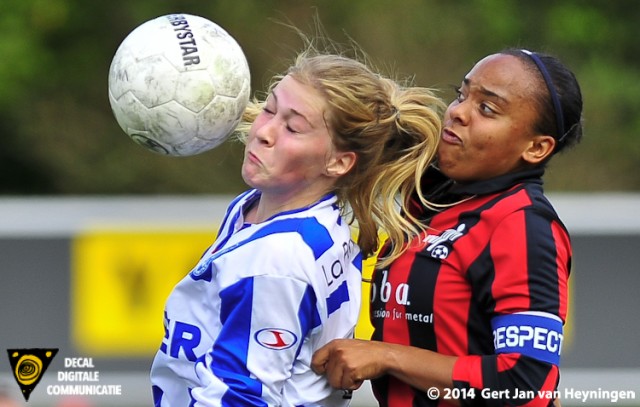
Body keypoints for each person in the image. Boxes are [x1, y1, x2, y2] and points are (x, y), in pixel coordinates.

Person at [150, 42, 445, 406]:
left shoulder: (277, 258)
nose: (263, 131)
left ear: (338, 162)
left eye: (292, 127)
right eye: (270, 109)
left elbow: (242, 397)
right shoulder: (269, 210)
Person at [312, 48, 583, 407]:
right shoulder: (429, 198)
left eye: (487, 108)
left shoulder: (522, 225)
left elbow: (523, 384)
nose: (457, 111)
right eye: (461, 94)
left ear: (536, 148)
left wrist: (386, 356)